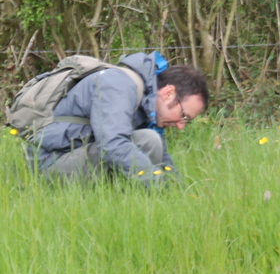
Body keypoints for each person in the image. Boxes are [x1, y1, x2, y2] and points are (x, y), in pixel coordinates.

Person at [27, 52, 208, 189]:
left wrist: (181, 190)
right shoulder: (118, 86)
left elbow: (162, 159)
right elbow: (112, 144)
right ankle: (132, 207)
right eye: (184, 116)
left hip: (73, 156)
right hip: (49, 164)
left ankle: (127, 204)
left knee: (150, 141)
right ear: (168, 93)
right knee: (148, 141)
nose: (181, 126)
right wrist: (159, 185)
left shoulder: (146, 101)